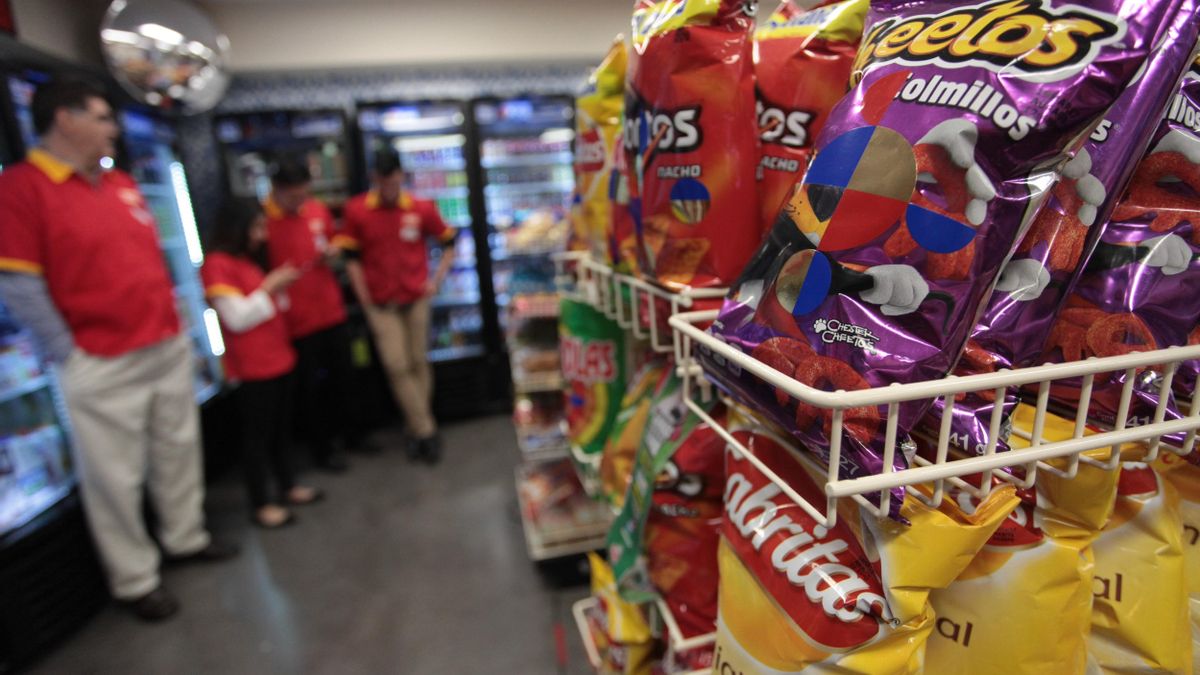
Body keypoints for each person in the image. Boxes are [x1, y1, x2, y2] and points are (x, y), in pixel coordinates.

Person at [0, 80, 237, 622]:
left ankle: (186, 537)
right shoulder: (22, 189)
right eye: (103, 118)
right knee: (115, 476)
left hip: (163, 345)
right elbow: (19, 283)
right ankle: (135, 579)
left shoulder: (120, 184)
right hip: (100, 360)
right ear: (65, 119)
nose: (113, 129)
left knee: (178, 451)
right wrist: (68, 352)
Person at [202, 198, 325, 528]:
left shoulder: (245, 261)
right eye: (255, 228)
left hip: (278, 358)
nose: (261, 236)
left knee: (280, 432)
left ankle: (288, 485)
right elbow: (237, 318)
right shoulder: (217, 264)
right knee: (257, 438)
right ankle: (262, 503)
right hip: (253, 367)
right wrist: (270, 287)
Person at [336, 148, 455, 462]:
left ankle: (417, 427)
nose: (389, 186)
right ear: (374, 179)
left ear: (401, 176)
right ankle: (426, 430)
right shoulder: (357, 210)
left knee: (418, 361)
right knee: (396, 365)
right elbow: (351, 259)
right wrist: (364, 298)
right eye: (383, 181)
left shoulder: (420, 207)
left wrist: (436, 281)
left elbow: (449, 243)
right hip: (380, 303)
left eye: (393, 180)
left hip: (415, 298)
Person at [262, 159, 360, 472]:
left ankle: (353, 435)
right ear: (277, 191)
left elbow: (337, 238)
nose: (300, 201)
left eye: (304, 193)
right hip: (296, 322)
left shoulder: (316, 209)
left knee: (345, 378)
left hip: (330, 309)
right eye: (293, 196)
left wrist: (334, 251)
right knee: (310, 392)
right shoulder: (263, 220)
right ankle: (322, 449)